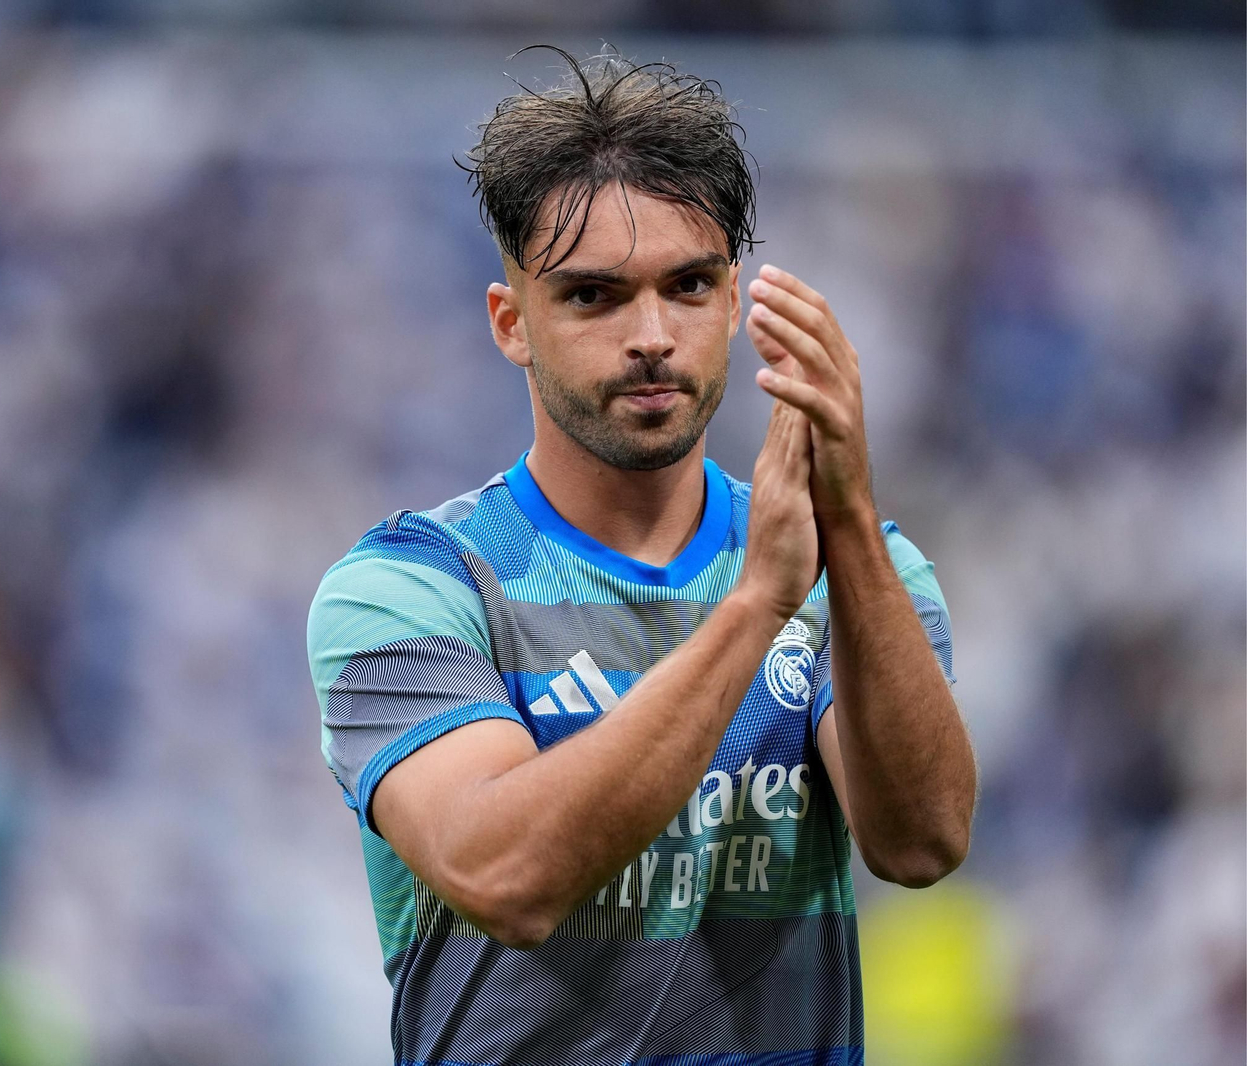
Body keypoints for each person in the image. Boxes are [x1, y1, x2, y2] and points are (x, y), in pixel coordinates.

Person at [307, 48, 976, 1066]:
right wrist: (754, 607)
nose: (654, 335)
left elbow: (921, 842)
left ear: (737, 301)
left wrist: (846, 533)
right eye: (593, 296)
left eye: (690, 284)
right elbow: (507, 875)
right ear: (510, 323)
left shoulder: (860, 573)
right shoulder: (412, 589)